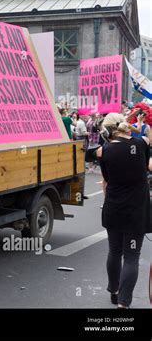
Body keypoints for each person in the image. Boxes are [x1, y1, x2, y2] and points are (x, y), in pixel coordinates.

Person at [96, 113, 151, 308]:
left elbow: (106, 180)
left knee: (114, 251)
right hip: (136, 211)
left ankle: (114, 289)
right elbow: (148, 164)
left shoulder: (104, 151)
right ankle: (124, 303)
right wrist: (137, 126)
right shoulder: (142, 144)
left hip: (113, 208)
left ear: (108, 130)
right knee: (131, 257)